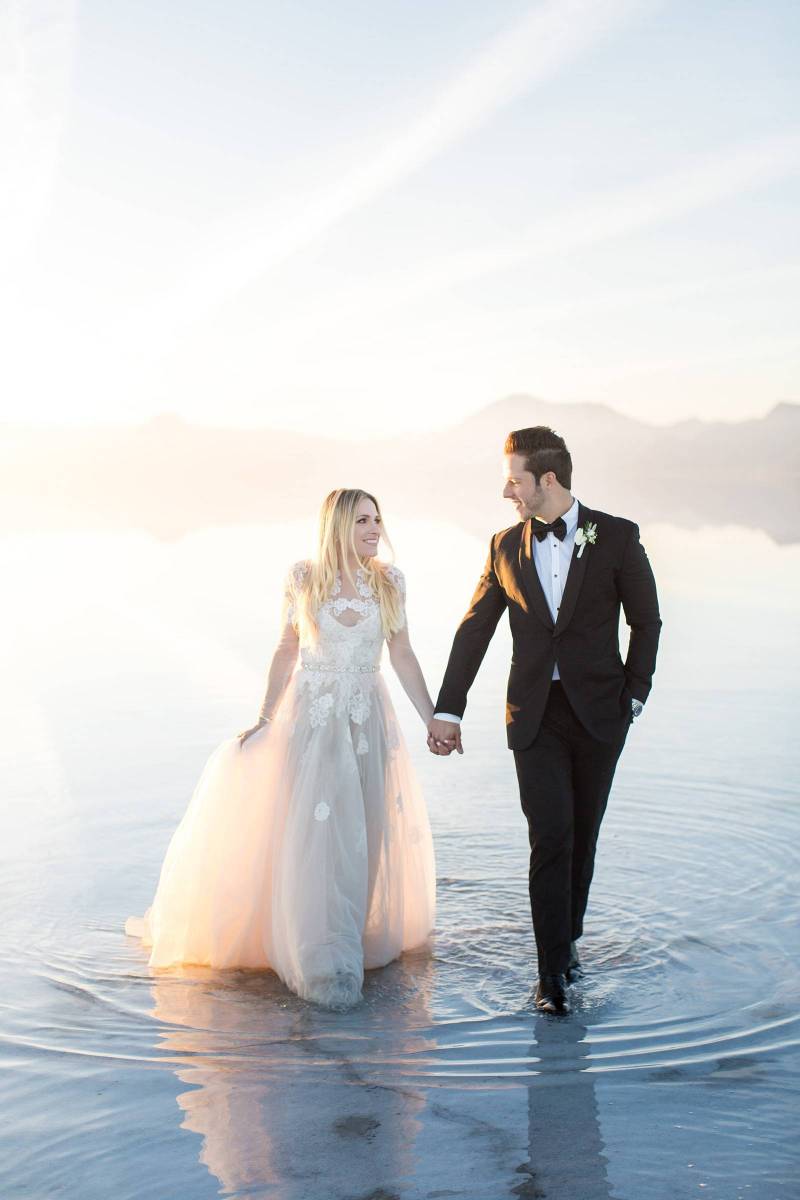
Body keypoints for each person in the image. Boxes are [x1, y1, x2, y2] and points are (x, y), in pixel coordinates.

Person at [126, 488, 436, 1010]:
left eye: (378, 519)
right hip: (311, 722)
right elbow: (286, 648)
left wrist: (433, 718)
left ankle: (351, 937)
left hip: (368, 722)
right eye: (363, 520)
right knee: (315, 834)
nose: (375, 529)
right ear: (338, 525)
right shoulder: (303, 578)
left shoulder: (389, 583)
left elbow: (402, 653)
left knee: (367, 830)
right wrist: (266, 719)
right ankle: (318, 951)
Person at [427, 426, 661, 1014]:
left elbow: (647, 621)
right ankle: (551, 973)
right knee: (550, 835)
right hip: (533, 717)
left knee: (583, 835)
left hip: (601, 715)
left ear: (547, 480)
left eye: (515, 479)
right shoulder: (504, 546)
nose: (508, 490)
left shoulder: (616, 536)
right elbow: (474, 629)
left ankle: (569, 942)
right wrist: (448, 708)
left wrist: (634, 695)